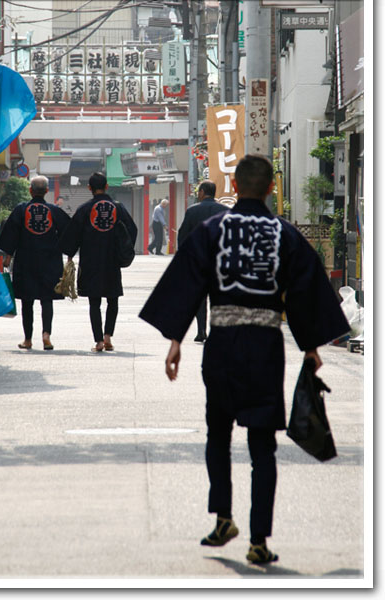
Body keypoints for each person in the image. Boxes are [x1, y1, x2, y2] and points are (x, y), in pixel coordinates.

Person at [139, 154, 350, 564]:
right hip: (265, 347)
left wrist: (176, 339)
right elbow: (306, 288)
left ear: (234, 186)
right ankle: (259, 540)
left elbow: (188, 281)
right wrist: (311, 346)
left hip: (221, 343)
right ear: (270, 188)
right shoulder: (284, 233)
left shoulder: (213, 230)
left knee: (218, 434)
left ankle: (223, 519)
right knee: (262, 446)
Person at [59, 172, 137, 352]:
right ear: (107, 186)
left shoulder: (85, 209)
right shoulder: (118, 208)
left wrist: (70, 255)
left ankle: (99, 341)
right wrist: (125, 250)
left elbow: (73, 233)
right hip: (112, 260)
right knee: (112, 298)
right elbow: (132, 229)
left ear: (89, 188)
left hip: (90, 261)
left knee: (94, 302)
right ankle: (108, 337)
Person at [0, 175, 71, 350]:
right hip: (49, 261)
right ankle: (46, 335)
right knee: (47, 299)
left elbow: (11, 234)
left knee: (27, 301)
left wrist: (8, 257)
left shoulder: (21, 210)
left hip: (25, 261)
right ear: (46, 191)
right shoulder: (54, 210)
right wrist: (68, 254)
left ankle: (28, 339)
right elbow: (68, 231)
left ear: (31, 191)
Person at [178, 180, 226, 342]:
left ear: (203, 192)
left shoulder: (192, 211)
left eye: (198, 191)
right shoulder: (225, 211)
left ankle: (201, 331)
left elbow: (183, 236)